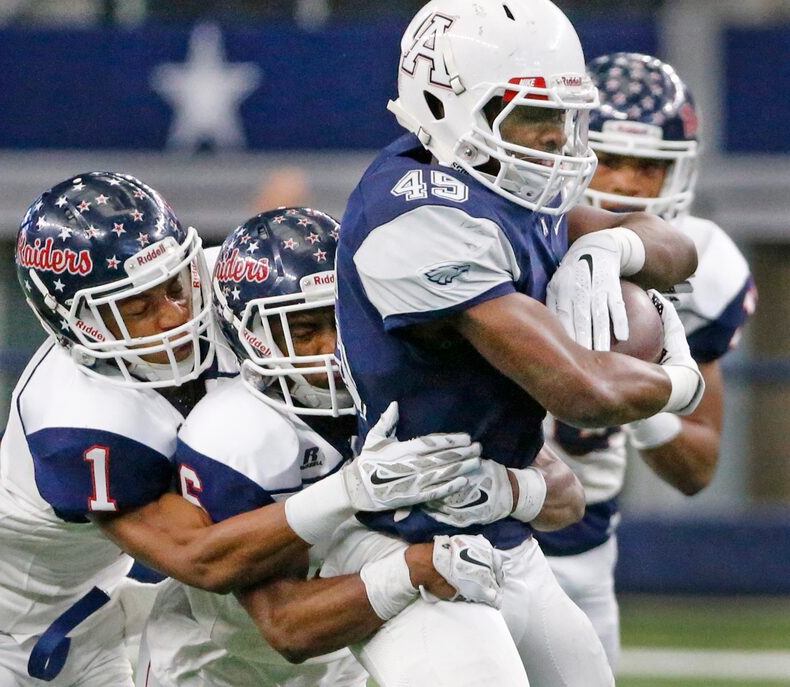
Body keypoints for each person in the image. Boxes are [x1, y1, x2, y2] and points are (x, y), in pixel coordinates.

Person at [0, 174, 490, 687]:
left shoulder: (216, 288)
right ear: (73, 323)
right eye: (135, 307)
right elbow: (202, 558)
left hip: (104, 610)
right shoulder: (76, 419)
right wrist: (350, 489)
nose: (173, 316)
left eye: (172, 286)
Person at [331, 1, 706, 685]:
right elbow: (580, 392)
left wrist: (614, 243)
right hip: (404, 538)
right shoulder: (416, 212)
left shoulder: (504, 186)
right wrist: (682, 380)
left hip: (499, 529)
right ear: (448, 105)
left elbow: (677, 249)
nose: (561, 140)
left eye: (568, 115)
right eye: (535, 114)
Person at [136, 207, 523, 687]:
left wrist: (514, 490)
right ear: (250, 335)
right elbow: (286, 627)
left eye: (342, 321)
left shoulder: (408, 382)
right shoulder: (237, 433)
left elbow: (564, 499)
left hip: (341, 651)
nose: (332, 349)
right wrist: (414, 566)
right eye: (303, 331)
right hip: (220, 664)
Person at [536, 52, 758, 669]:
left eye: (649, 167)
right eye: (610, 159)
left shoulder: (704, 263)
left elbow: (698, 466)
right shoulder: (505, 235)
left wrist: (641, 395)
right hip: (461, 530)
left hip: (582, 549)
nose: (628, 185)